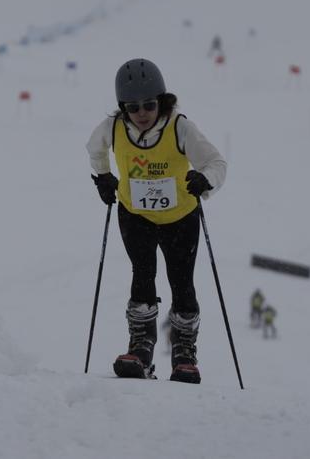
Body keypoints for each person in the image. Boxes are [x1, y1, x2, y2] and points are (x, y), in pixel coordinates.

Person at [87, 58, 227, 383]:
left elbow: (216, 161)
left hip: (180, 217)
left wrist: (206, 181)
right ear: (123, 107)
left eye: (149, 104)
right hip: (135, 215)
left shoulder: (180, 127)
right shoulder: (113, 127)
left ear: (161, 101)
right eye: (133, 107)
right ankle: (141, 348)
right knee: (143, 276)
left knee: (182, 283)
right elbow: (95, 149)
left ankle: (184, 352)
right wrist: (104, 177)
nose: (142, 113)